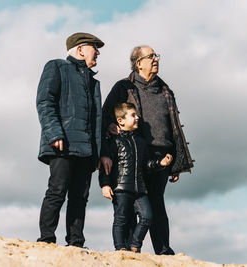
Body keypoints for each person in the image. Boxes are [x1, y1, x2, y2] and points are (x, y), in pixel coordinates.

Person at [101, 45, 194, 255]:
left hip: (162, 156)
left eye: (156, 56)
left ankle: (163, 250)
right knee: (129, 204)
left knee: (156, 205)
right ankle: (128, 250)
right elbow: (106, 114)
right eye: (150, 56)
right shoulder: (123, 87)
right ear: (138, 62)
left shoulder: (165, 89)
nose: (155, 59)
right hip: (133, 152)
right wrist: (108, 130)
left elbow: (174, 126)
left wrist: (177, 162)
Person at [36, 32, 104, 247]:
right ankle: (46, 239)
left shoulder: (93, 82)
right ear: (81, 48)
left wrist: (98, 153)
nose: (98, 52)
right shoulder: (56, 66)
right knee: (57, 191)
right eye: (95, 47)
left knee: (80, 198)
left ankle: (76, 243)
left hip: (86, 149)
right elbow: (45, 101)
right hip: (62, 143)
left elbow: (97, 119)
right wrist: (54, 133)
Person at [99, 102, 173, 252]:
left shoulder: (141, 142)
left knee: (147, 217)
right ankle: (120, 249)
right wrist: (105, 185)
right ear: (121, 121)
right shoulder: (113, 141)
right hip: (120, 188)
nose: (137, 117)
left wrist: (161, 163)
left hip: (140, 188)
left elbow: (147, 164)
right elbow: (106, 166)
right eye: (133, 115)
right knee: (121, 219)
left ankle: (135, 245)